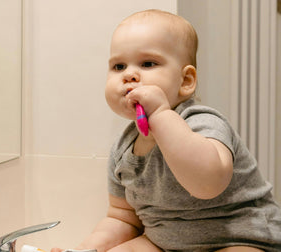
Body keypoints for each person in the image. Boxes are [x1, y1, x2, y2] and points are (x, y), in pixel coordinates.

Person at [52, 9, 281, 252]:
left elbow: (207, 185)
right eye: (119, 66)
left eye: (148, 63)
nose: (129, 75)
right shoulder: (123, 148)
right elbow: (122, 218)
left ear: (186, 81)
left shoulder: (203, 123)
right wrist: (86, 249)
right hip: (164, 242)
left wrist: (161, 114)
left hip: (240, 238)